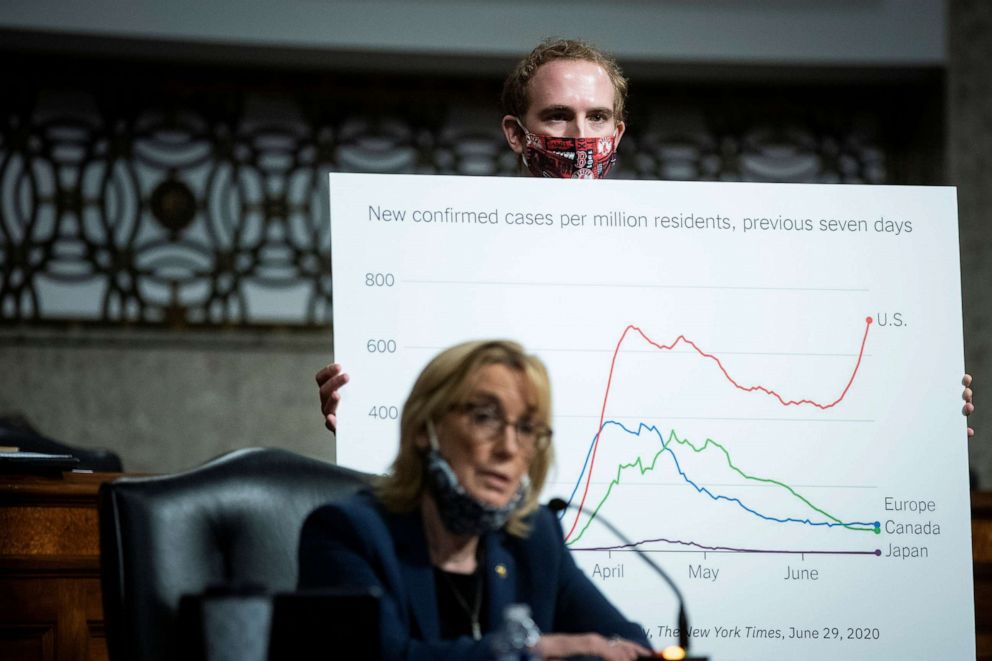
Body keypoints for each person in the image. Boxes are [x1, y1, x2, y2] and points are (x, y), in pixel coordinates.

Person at [317, 37, 975, 438]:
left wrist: (915, 400)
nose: (580, 134)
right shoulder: (450, 255)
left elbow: (773, 373)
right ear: (517, 133)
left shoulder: (690, 257)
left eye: (597, 116)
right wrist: (368, 410)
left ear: (619, 132)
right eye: (558, 116)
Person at [299, 340, 654, 660]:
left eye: (526, 429)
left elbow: (627, 645)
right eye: (485, 418)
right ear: (427, 428)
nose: (509, 447)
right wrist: (534, 651)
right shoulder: (346, 533)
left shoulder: (534, 536)